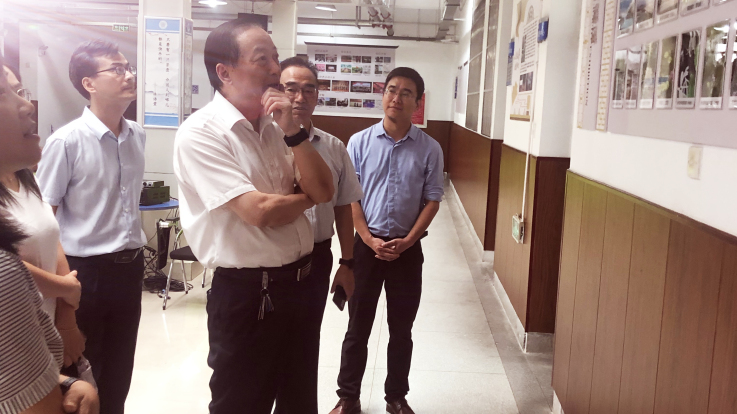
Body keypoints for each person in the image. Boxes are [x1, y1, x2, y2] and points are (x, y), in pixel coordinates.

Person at [173, 21, 334, 414]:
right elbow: (258, 212)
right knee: (242, 404)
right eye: (263, 60)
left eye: (275, 58)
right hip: (249, 295)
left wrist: (293, 132)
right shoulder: (202, 133)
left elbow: (325, 189)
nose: (276, 70)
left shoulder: (278, 126)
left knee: (299, 402)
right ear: (224, 72)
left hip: (300, 285)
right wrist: (305, 198)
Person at [35, 40, 145, 414]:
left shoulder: (137, 135)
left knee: (119, 373)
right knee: (82, 374)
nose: (128, 75)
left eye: (129, 67)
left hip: (130, 269)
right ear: (89, 83)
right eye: (117, 69)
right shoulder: (65, 142)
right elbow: (44, 223)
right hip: (85, 271)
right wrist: (65, 300)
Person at [331, 67, 444, 414]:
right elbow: (351, 196)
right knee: (357, 326)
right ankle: (348, 396)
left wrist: (408, 241)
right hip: (366, 249)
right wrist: (366, 238)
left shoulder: (430, 148)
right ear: (383, 96)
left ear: (417, 102)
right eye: (391, 90)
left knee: (401, 329)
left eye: (406, 93)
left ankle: (396, 397)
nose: (397, 98)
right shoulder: (359, 142)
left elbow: (433, 199)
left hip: (407, 252)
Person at [0, 51, 99, 414]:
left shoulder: (25, 175)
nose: (27, 105)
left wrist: (66, 309)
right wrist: (64, 287)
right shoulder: (5, 279)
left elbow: (50, 231)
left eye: (19, 90)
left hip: (45, 322)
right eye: (3, 93)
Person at [277, 58, 363, 412]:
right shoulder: (262, 141)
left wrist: (347, 262)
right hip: (271, 261)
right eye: (290, 89)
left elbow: (343, 206)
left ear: (317, 96)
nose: (299, 98)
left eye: (308, 90)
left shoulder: (333, 146)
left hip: (317, 258)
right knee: (265, 352)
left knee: (305, 345)